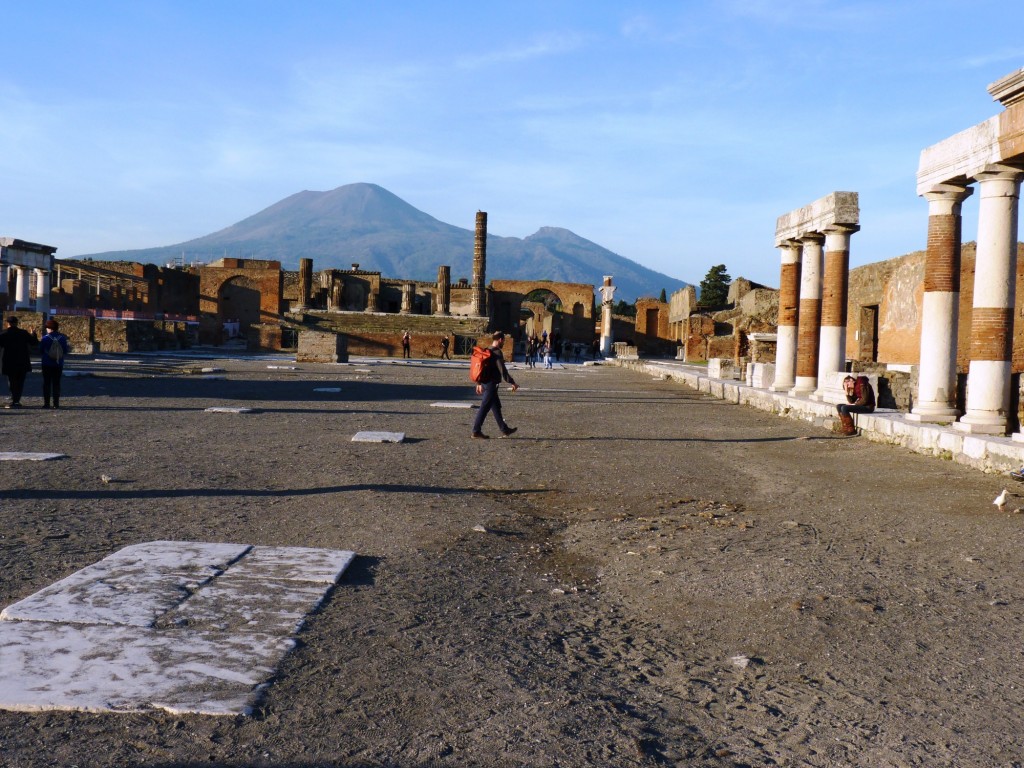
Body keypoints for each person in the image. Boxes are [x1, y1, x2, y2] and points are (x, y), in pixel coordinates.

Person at [471, 331, 519, 439]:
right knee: (484, 407)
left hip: (486, 383)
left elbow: (481, 368)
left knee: (496, 407)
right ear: (500, 340)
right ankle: (476, 430)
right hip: (491, 385)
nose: (504, 343)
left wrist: (479, 383)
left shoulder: (487, 350)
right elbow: (503, 371)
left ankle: (505, 429)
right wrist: (512, 382)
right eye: (504, 341)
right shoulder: (497, 352)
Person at [0, 316, 34, 408]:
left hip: (9, 361)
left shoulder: (3, 333)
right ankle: (17, 400)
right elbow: (34, 343)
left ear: (7, 323)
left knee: (11, 381)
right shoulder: (23, 333)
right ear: (17, 323)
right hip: (22, 361)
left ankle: (13, 399)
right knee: (20, 382)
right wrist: (33, 334)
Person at [39, 319, 70, 409]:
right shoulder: (62, 338)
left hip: (47, 363)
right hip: (58, 363)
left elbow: (40, 350)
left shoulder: (45, 338)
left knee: (46, 383)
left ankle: (47, 403)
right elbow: (65, 350)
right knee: (56, 383)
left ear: (50, 328)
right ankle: (56, 403)